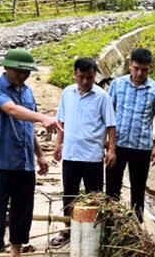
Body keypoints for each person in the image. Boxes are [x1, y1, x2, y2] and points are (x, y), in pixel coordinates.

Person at [0, 48, 62, 257]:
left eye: (26, 71)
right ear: (6, 67)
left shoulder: (28, 92)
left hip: (24, 162)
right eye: (18, 70)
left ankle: (16, 256)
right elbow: (12, 111)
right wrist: (43, 118)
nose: (22, 75)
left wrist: (40, 155)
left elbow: (28, 127)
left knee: (22, 211)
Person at [50, 58, 117, 247]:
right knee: (69, 194)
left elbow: (111, 126)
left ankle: (94, 231)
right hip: (71, 154)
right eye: (82, 77)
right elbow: (61, 122)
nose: (86, 81)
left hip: (92, 156)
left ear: (95, 76)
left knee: (94, 195)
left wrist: (111, 150)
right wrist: (58, 145)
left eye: (90, 77)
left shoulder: (102, 97)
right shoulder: (67, 93)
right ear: (75, 75)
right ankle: (68, 229)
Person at [106, 48, 155, 222]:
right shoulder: (117, 85)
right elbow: (109, 113)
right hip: (117, 145)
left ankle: (136, 228)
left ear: (150, 68)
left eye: (144, 69)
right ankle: (111, 223)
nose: (140, 73)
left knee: (138, 189)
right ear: (130, 66)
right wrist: (107, 142)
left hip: (142, 147)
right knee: (112, 187)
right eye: (136, 68)